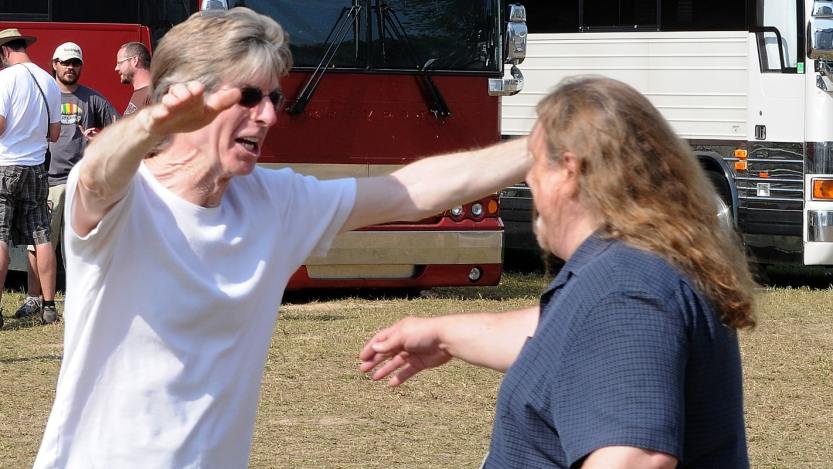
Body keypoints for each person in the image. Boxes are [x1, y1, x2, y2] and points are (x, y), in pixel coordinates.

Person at [33, 8, 528, 467]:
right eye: (249, 97)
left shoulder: (275, 202)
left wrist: (539, 148)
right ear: (187, 100)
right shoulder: (125, 201)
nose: (268, 116)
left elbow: (412, 190)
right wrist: (149, 125)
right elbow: (95, 176)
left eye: (274, 99)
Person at [361, 76, 757, 468]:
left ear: (568, 171)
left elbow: (636, 458)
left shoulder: (627, 287)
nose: (529, 181)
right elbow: (564, 336)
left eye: (533, 166)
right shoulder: (622, 269)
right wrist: (444, 335)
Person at [14, 42, 119, 322]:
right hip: (46, 180)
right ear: (55, 64)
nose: (70, 67)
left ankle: (79, 299)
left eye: (75, 63)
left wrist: (99, 140)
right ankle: (34, 299)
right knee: (38, 243)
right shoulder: (44, 94)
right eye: (65, 62)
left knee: (78, 246)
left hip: (81, 184)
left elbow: (119, 129)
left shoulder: (93, 99)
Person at [0, 29, 61, 328]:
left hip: (5, 165)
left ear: (4, 51)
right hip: (36, 167)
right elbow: (55, 134)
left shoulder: (4, 79)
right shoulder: (48, 81)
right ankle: (49, 306)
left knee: (0, 236)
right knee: (41, 236)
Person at [115, 41, 151, 116]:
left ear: (135, 61)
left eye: (119, 63)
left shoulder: (154, 94)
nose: (116, 68)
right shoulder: (141, 93)